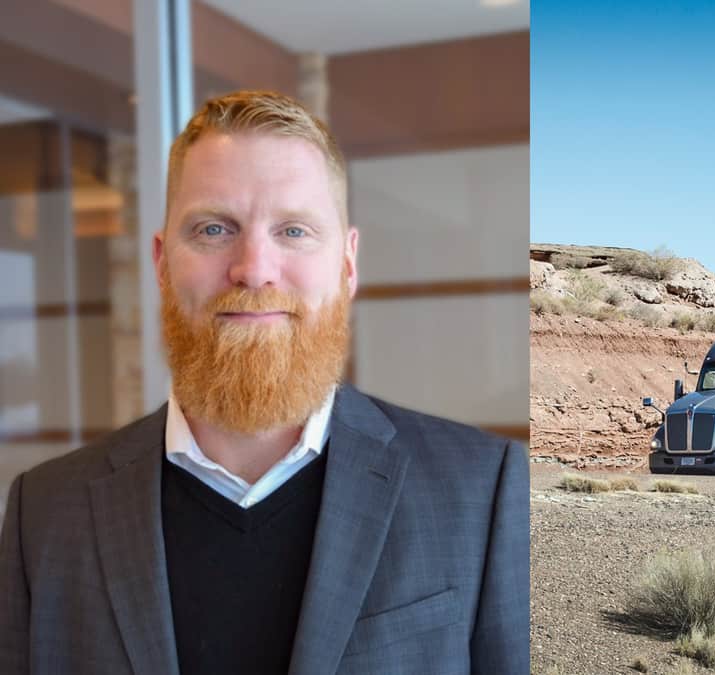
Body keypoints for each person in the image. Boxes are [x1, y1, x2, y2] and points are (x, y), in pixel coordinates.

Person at [0, 90, 529, 674]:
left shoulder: (480, 490)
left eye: (294, 231)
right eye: (212, 229)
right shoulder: (44, 514)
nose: (253, 268)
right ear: (160, 262)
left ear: (348, 265)